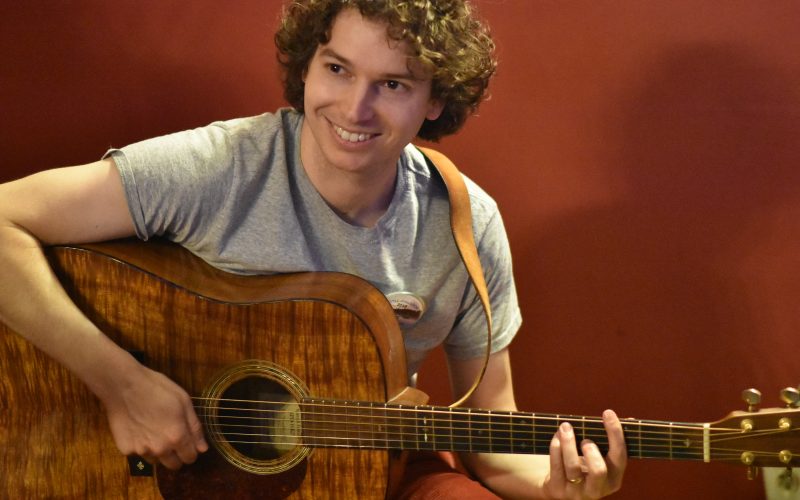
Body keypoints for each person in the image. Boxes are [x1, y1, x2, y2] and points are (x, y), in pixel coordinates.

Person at [0, 0, 627, 498]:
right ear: (306, 67)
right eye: (337, 68)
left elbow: (490, 437)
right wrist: (123, 385)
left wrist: (554, 487)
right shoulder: (216, 169)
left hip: (373, 470)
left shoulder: (467, 224)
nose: (355, 107)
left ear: (436, 99)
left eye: (393, 83)